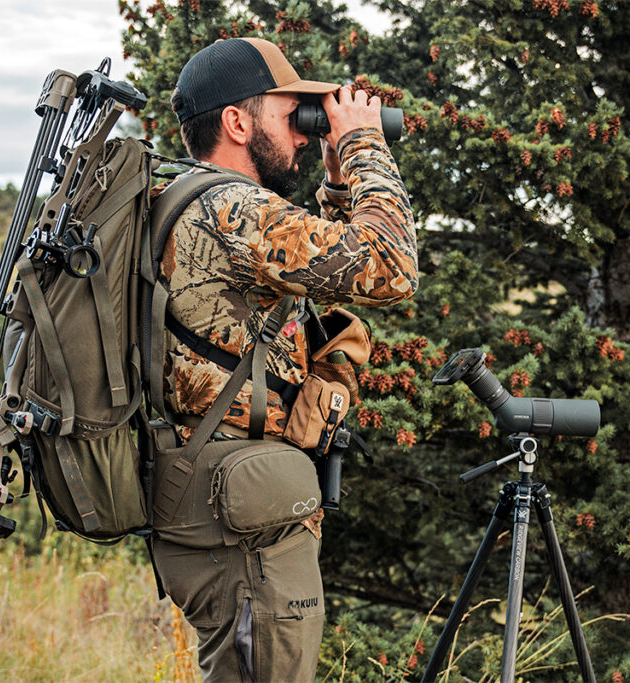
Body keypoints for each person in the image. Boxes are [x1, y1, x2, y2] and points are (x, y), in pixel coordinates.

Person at [151, 37, 418, 682]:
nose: (304, 132)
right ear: (237, 123)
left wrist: (332, 180)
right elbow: (389, 268)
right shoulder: (232, 207)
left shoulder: (200, 202)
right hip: (237, 517)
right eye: (290, 112)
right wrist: (363, 146)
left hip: (216, 496)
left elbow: (318, 264)